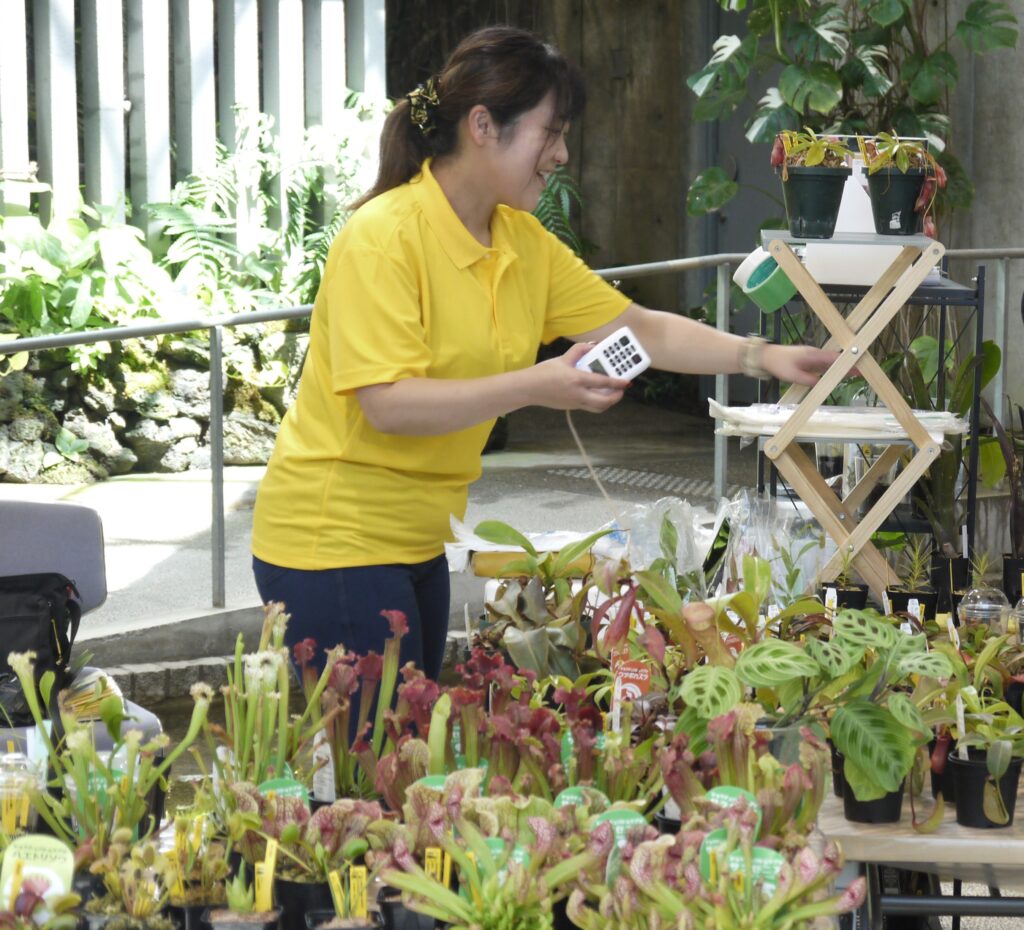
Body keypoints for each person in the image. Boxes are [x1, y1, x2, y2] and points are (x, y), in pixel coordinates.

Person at [251, 25, 835, 678]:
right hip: (332, 543)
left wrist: (761, 357)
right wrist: (536, 384)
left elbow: (640, 329)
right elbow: (388, 404)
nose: (560, 154)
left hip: (419, 541)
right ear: (482, 125)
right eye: (549, 133)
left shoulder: (519, 241)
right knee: (377, 762)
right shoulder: (383, 238)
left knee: (407, 762)